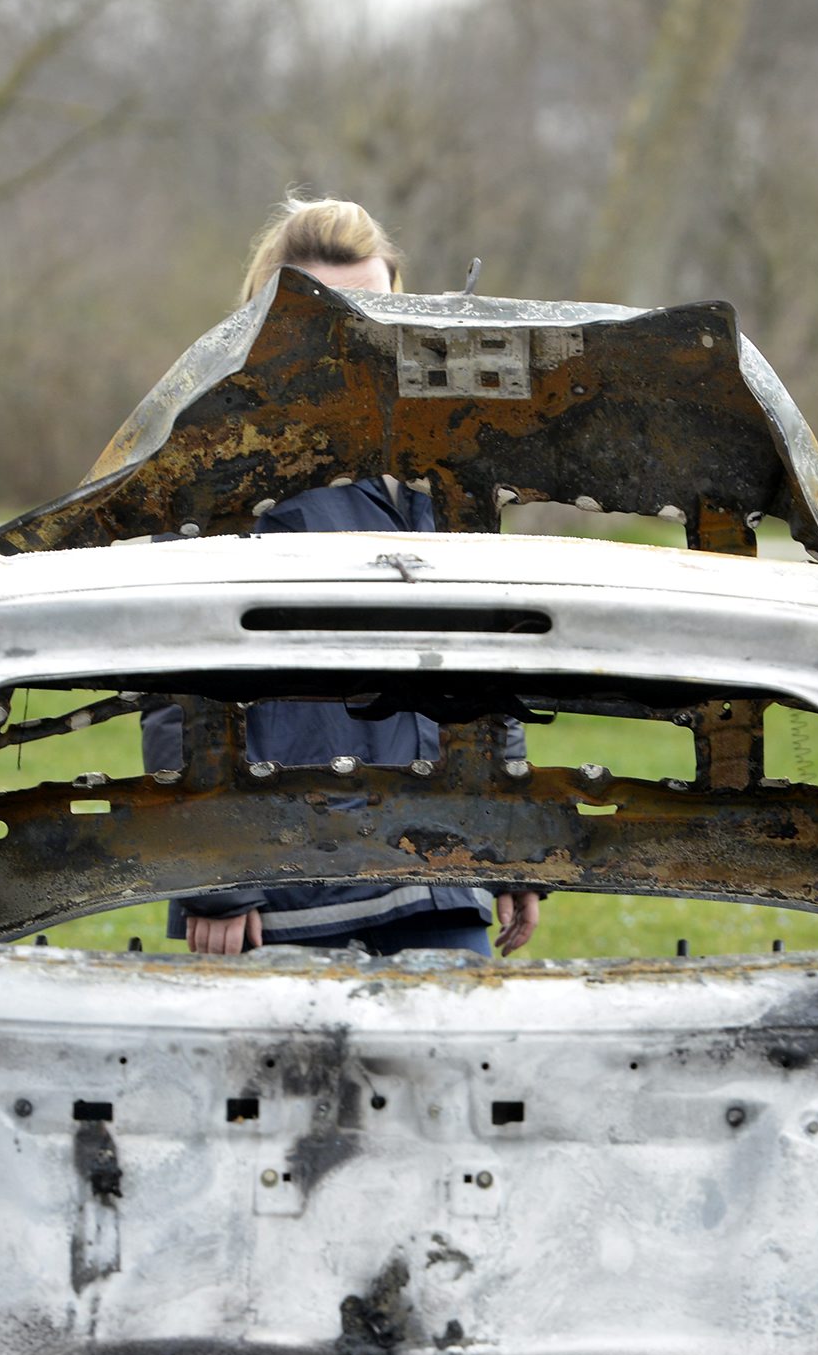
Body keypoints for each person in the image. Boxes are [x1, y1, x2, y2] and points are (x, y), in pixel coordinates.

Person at [140, 195, 539, 959]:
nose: (361, 333)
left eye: (376, 307)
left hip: (439, 876)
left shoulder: (445, 457)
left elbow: (492, 653)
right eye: (332, 311)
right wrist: (216, 871)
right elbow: (173, 674)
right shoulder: (217, 458)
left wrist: (513, 837)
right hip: (287, 891)